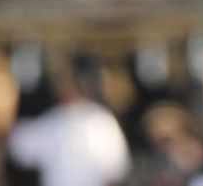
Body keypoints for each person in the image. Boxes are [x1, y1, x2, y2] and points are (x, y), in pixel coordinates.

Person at [7, 52, 132, 186]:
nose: (61, 88)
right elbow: (19, 147)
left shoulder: (101, 122)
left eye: (67, 82)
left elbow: (116, 171)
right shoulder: (56, 119)